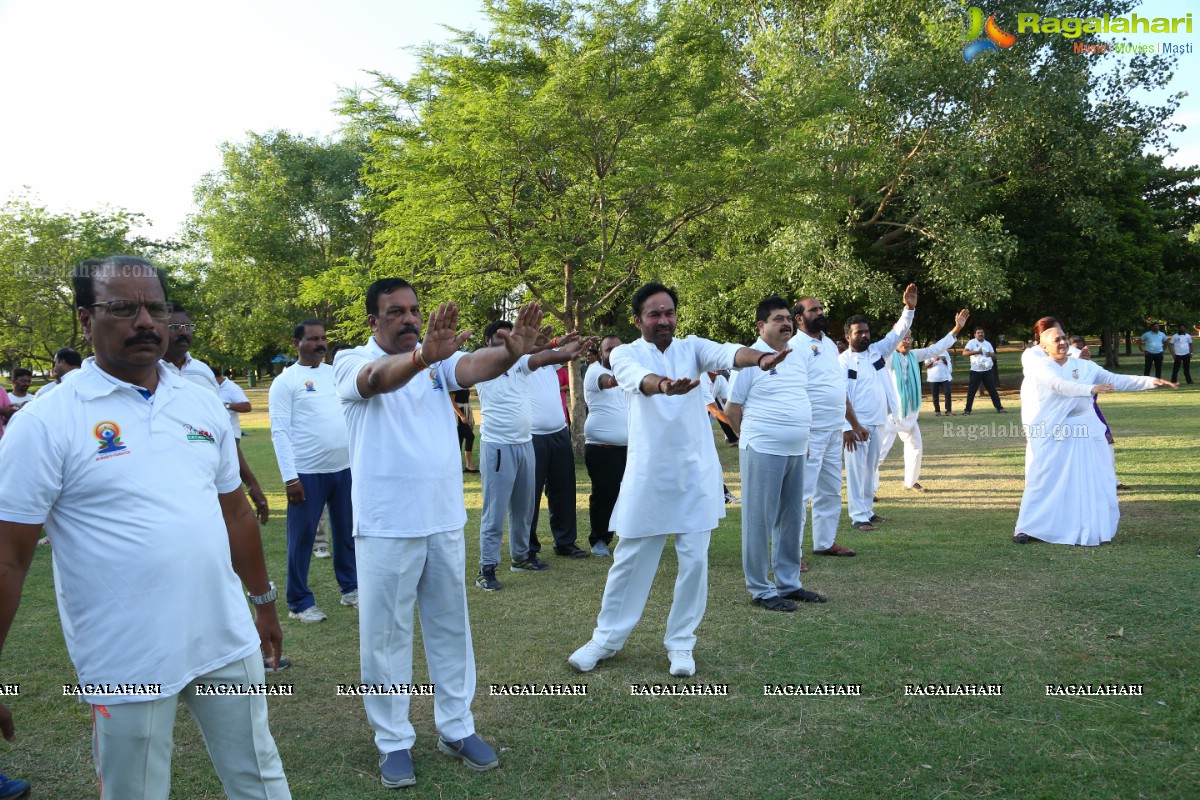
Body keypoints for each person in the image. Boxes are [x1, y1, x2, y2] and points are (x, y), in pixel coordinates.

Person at [0, 255, 290, 799]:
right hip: (127, 656)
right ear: (85, 321)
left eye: (155, 308)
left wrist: (264, 601)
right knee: (136, 791)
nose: (145, 322)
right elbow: (8, 558)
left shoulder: (198, 402)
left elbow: (234, 512)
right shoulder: (45, 422)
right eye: (123, 308)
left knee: (259, 777)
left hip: (224, 638)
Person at [333, 278, 545, 787]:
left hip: (444, 517)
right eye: (396, 312)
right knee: (386, 637)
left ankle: (457, 727)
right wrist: (423, 357)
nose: (409, 319)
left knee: (451, 628)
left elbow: (472, 367)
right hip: (386, 524)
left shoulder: (436, 361)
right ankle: (393, 741)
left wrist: (508, 352)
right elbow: (377, 379)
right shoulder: (349, 360)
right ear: (373, 321)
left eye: (414, 310)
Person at [567, 282, 790, 678]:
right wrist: (664, 385)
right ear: (638, 320)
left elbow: (728, 352)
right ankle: (606, 639)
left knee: (694, 562)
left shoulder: (693, 347)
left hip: (693, 475)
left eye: (669, 312)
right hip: (647, 476)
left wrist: (760, 359)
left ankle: (681, 643)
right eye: (654, 314)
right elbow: (636, 377)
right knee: (629, 560)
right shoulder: (624, 352)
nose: (664, 320)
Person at [1014, 317, 1174, 545]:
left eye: (1063, 338)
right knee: (1044, 478)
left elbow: (1115, 379)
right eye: (1055, 339)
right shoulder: (1040, 366)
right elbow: (1059, 385)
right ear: (1042, 346)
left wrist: (1149, 381)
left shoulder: (1084, 366)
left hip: (1088, 428)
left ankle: (1085, 526)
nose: (1061, 342)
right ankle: (1026, 527)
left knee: (1094, 478)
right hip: (1056, 431)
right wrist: (1089, 388)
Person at [725, 295, 825, 613]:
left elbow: (797, 398)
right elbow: (732, 409)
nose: (785, 323)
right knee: (759, 521)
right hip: (762, 449)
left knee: (792, 519)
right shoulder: (750, 361)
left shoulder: (796, 356)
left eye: (787, 318)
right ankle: (760, 588)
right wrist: (750, 439)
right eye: (777, 319)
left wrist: (803, 437)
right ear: (761, 326)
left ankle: (789, 583)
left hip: (796, 450)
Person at [473, 324, 590, 591]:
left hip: (525, 444)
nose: (507, 340)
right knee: (495, 511)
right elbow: (542, 352)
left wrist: (572, 350)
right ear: (488, 339)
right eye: (501, 336)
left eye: (510, 335)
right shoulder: (481, 363)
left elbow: (547, 356)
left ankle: (521, 557)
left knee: (524, 509)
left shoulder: (520, 363)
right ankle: (486, 569)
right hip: (499, 448)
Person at [269, 320, 357, 623]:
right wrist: (289, 477)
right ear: (297, 343)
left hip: (343, 468)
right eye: (312, 339)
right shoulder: (286, 381)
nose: (320, 344)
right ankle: (299, 602)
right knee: (303, 537)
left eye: (323, 339)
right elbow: (279, 432)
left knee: (347, 533)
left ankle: (351, 588)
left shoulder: (335, 374)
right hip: (306, 473)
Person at [163, 306, 271, 525]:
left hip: (208, 480)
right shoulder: (146, 372)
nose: (183, 332)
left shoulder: (203, 372)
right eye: (175, 327)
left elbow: (224, 435)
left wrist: (250, 483)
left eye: (187, 327)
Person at [793, 297, 868, 559]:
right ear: (799, 318)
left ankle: (824, 543)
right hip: (810, 432)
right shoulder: (794, 347)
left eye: (822, 309)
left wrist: (853, 423)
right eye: (813, 310)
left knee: (830, 490)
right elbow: (793, 392)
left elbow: (839, 388)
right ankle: (792, 554)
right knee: (800, 495)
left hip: (834, 429)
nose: (820, 313)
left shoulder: (827, 344)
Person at [839, 285, 919, 531]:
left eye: (866, 331)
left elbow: (897, 332)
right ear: (848, 337)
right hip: (856, 425)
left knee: (870, 469)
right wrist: (847, 427)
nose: (865, 335)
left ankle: (868, 511)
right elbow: (839, 396)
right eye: (859, 332)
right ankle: (858, 517)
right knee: (856, 471)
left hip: (879, 421)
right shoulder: (842, 362)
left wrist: (909, 308)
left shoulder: (877, 352)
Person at [876, 309, 970, 493]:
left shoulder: (913, 356)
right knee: (879, 453)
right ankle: (868, 489)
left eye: (910, 338)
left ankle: (911, 482)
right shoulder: (886, 358)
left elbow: (936, 349)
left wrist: (957, 328)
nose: (908, 341)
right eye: (904, 338)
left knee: (915, 447)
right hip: (891, 414)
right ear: (895, 340)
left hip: (910, 412)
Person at [528, 347, 591, 562]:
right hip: (532, 436)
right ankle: (527, 546)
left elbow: (566, 353)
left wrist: (575, 345)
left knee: (563, 490)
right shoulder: (520, 358)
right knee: (530, 494)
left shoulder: (549, 358)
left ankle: (565, 542)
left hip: (559, 432)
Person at [582, 334, 628, 558]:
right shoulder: (595, 372)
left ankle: (628, 535)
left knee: (629, 493)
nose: (614, 353)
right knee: (605, 494)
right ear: (600, 354)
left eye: (619, 349)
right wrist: (631, 374)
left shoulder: (626, 373)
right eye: (609, 349)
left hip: (628, 448)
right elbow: (607, 382)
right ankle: (599, 539)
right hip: (602, 448)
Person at [962, 328, 1005, 414]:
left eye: (982, 332)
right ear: (975, 334)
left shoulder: (987, 344)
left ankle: (1000, 408)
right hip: (975, 371)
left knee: (992, 390)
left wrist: (991, 354)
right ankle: (967, 410)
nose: (980, 334)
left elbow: (994, 356)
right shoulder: (972, 342)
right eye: (978, 333)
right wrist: (977, 352)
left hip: (987, 371)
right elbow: (965, 353)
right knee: (972, 391)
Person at [216, 369, 252, 439]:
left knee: (234, 449)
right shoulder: (208, 387)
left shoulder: (232, 387)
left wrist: (226, 405)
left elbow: (247, 407)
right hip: (214, 432)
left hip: (231, 432)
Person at [451, 388, 478, 472]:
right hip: (458, 414)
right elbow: (451, 401)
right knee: (468, 437)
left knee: (462, 437)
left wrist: (468, 414)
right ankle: (464, 465)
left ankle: (465, 465)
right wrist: (461, 415)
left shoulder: (464, 384)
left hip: (465, 411)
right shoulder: (454, 385)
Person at [924, 349, 953, 416]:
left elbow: (949, 362)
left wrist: (944, 360)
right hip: (933, 378)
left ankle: (948, 411)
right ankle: (937, 411)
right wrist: (933, 360)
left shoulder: (944, 351)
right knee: (935, 395)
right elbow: (927, 366)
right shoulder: (929, 352)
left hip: (944, 377)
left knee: (947, 393)